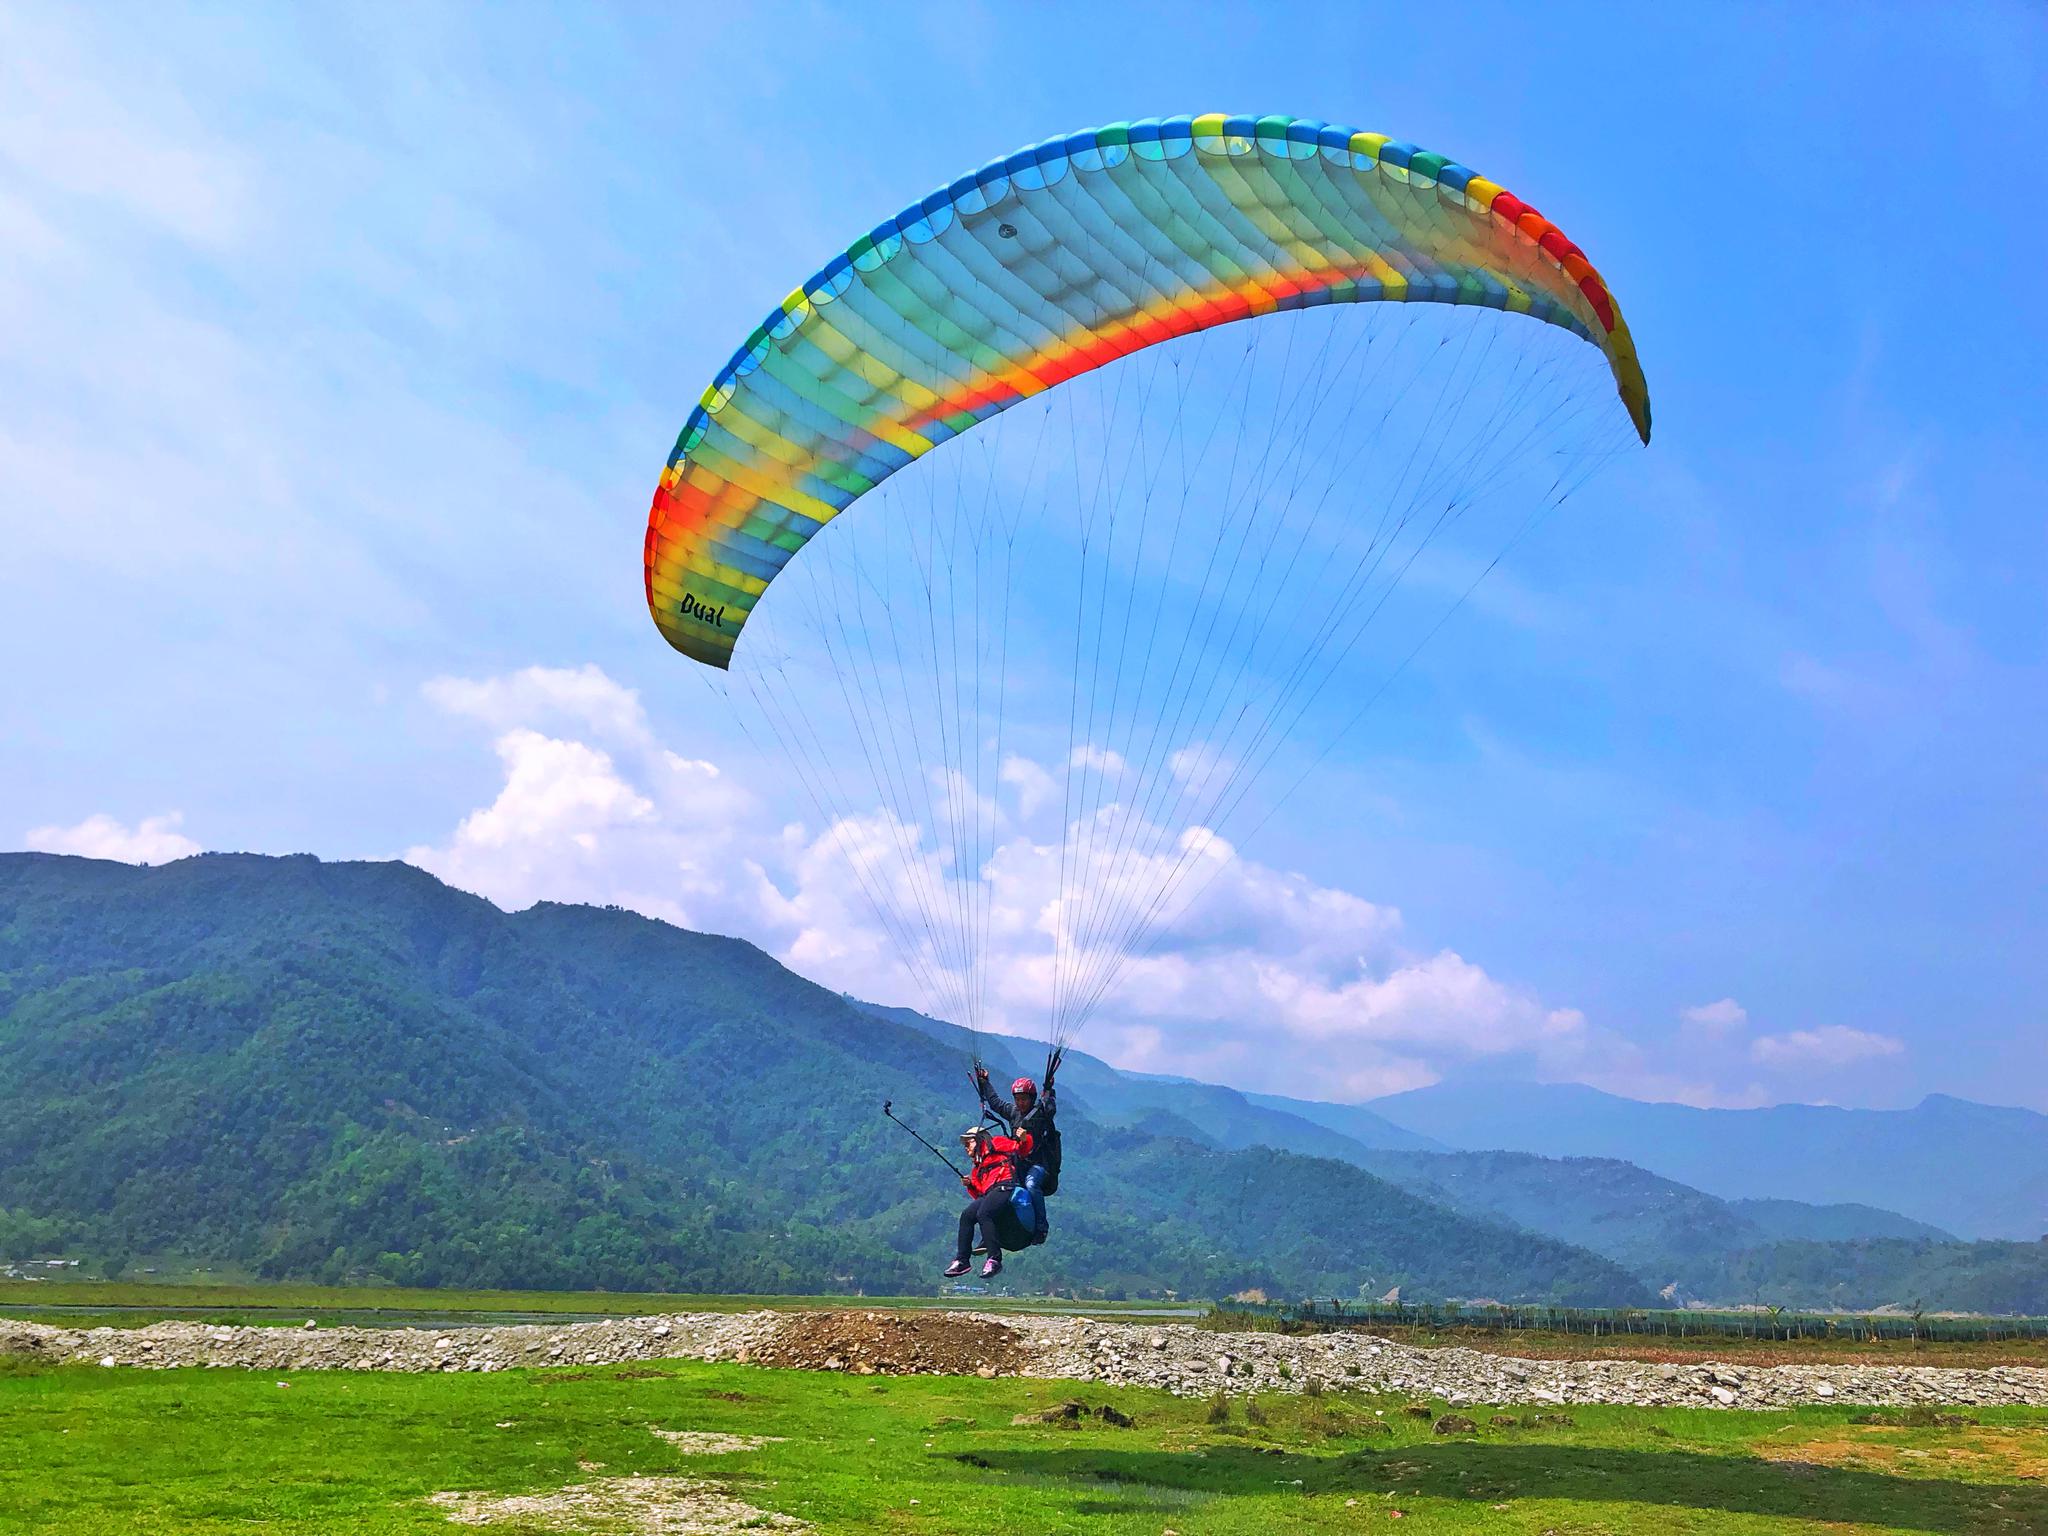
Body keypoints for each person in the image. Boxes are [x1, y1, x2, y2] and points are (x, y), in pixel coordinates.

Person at [976, 1060, 1060, 1242]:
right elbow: (996, 1103)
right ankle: (993, 1229)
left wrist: (1049, 1090)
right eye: (1018, 1099)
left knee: (1030, 1185)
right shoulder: (1014, 1112)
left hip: (1039, 1165)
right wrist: (985, 1082)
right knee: (998, 1187)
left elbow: (1050, 1107)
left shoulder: (1040, 1113)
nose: (1021, 1103)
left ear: (1032, 1098)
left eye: (1024, 1099)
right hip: (1018, 1164)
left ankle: (1041, 1227)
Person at [944, 1124, 1031, 1279]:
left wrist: (1024, 1138)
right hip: (991, 1192)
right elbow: (980, 1194)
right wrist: (970, 1184)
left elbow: (1021, 1148)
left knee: (984, 1213)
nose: (966, 1148)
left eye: (968, 1143)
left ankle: (994, 1259)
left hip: (1006, 1185)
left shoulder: (997, 1143)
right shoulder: (977, 1168)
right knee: (967, 1216)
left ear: (979, 1139)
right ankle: (962, 1260)